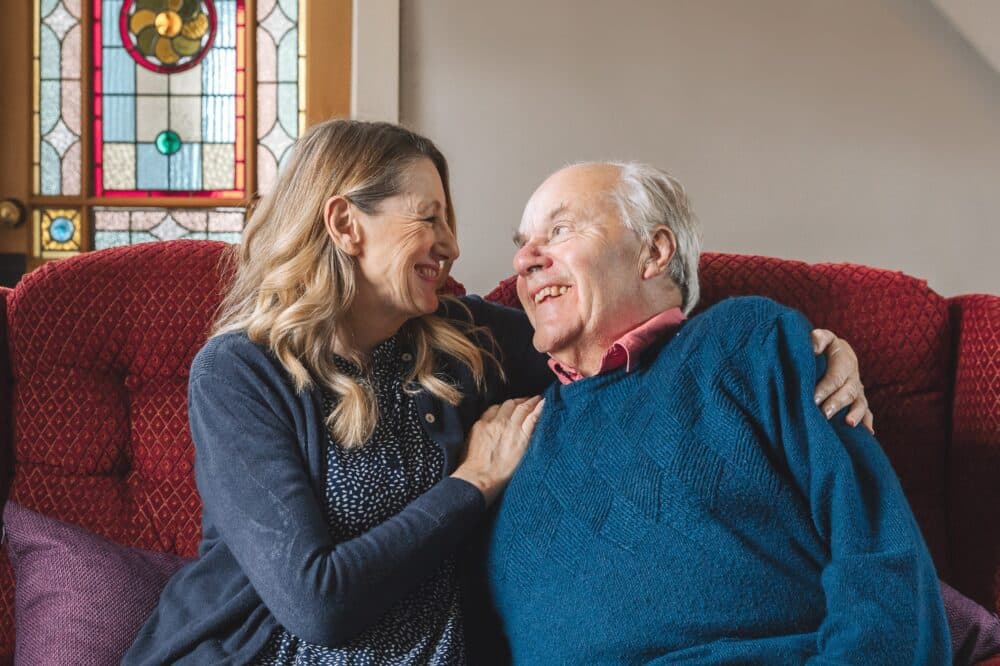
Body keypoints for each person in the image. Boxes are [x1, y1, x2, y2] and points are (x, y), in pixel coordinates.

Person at [124, 121, 869, 664]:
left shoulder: (464, 339)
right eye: (429, 217)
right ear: (346, 223)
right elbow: (319, 603)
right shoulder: (240, 372)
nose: (451, 243)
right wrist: (473, 482)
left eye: (450, 219)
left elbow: (635, 346)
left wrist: (805, 351)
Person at [483, 161, 949, 664]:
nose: (524, 259)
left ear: (654, 252)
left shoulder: (746, 344)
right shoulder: (511, 431)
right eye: (523, 241)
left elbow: (882, 559)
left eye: (560, 230)